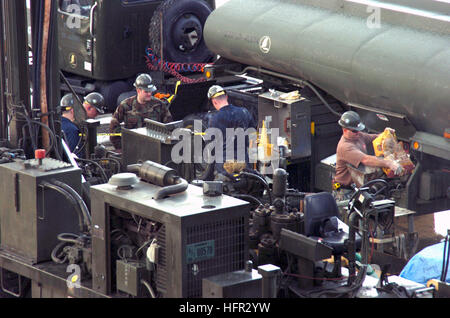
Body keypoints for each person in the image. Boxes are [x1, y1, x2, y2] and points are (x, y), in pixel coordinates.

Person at [333, 110, 402, 200]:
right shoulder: (345, 147)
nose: (358, 132)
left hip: (357, 187)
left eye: (358, 130)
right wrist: (389, 163)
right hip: (345, 192)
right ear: (345, 130)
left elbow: (376, 138)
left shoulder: (358, 136)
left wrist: (386, 134)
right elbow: (366, 159)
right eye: (354, 131)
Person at [109, 74, 172, 151]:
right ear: (138, 90)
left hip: (155, 148)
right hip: (133, 148)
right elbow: (113, 127)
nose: (149, 94)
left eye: (150, 91)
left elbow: (169, 126)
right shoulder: (125, 105)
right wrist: (120, 148)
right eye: (146, 91)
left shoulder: (159, 105)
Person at [206, 85, 257, 179]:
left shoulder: (214, 119)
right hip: (244, 161)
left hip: (225, 166)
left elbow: (212, 145)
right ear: (226, 97)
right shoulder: (244, 112)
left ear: (214, 101)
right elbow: (253, 136)